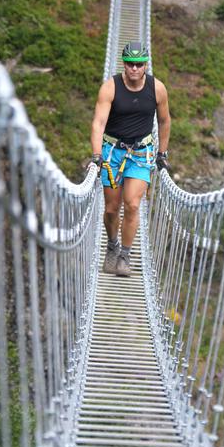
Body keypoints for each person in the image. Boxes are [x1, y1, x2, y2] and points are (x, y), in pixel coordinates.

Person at [90, 42, 171, 276]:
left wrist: (162, 154)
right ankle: (112, 245)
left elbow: (165, 121)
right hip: (112, 153)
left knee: (133, 204)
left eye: (139, 64)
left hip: (141, 153)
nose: (134, 69)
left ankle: (125, 255)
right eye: (130, 64)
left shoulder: (157, 89)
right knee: (111, 208)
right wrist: (97, 155)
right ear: (123, 64)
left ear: (146, 64)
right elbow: (98, 123)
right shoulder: (110, 88)